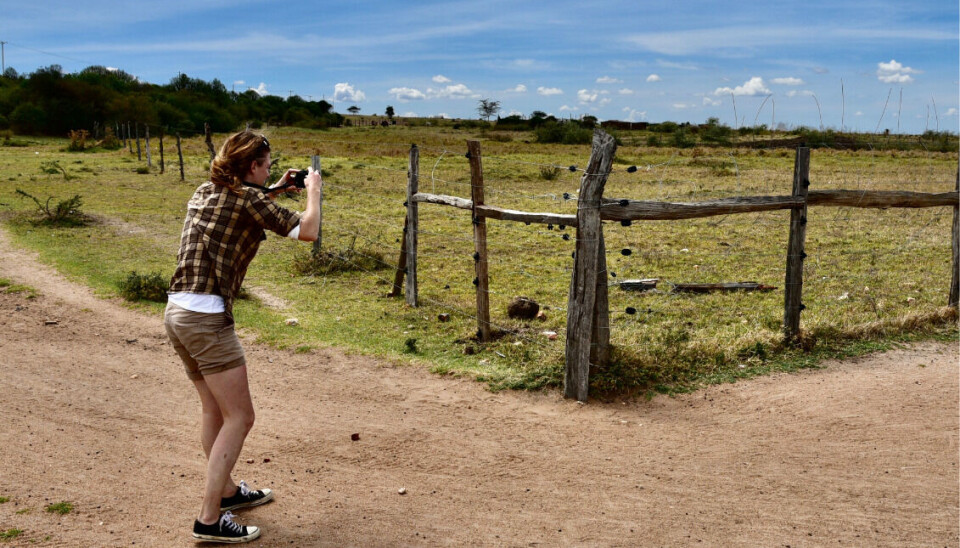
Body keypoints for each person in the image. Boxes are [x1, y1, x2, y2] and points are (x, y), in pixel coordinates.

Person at [163, 131, 321, 543]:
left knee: (214, 412)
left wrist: (275, 187)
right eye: (266, 165)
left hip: (177, 313)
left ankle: (229, 493)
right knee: (240, 417)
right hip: (207, 321)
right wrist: (312, 192)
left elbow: (240, 201)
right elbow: (307, 231)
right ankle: (209, 518)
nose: (269, 170)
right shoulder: (251, 199)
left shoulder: (206, 190)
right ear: (251, 166)